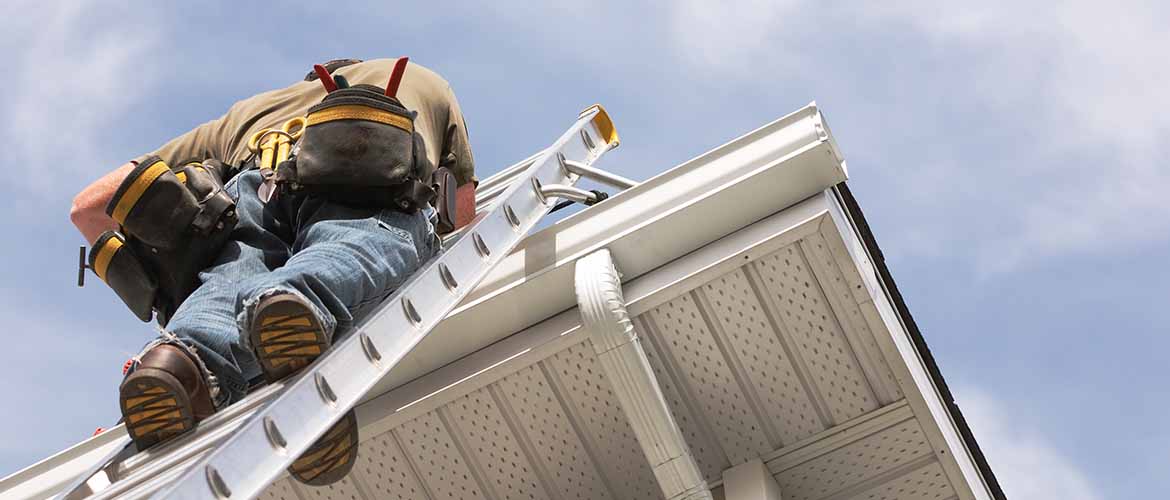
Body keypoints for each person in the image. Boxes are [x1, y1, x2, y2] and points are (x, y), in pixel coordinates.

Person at [70, 58, 476, 486]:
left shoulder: (249, 112)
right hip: (369, 163)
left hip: (253, 185)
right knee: (355, 243)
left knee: (228, 283)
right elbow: (464, 218)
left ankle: (177, 363)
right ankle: (297, 304)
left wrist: (152, 272)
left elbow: (89, 206)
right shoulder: (419, 79)